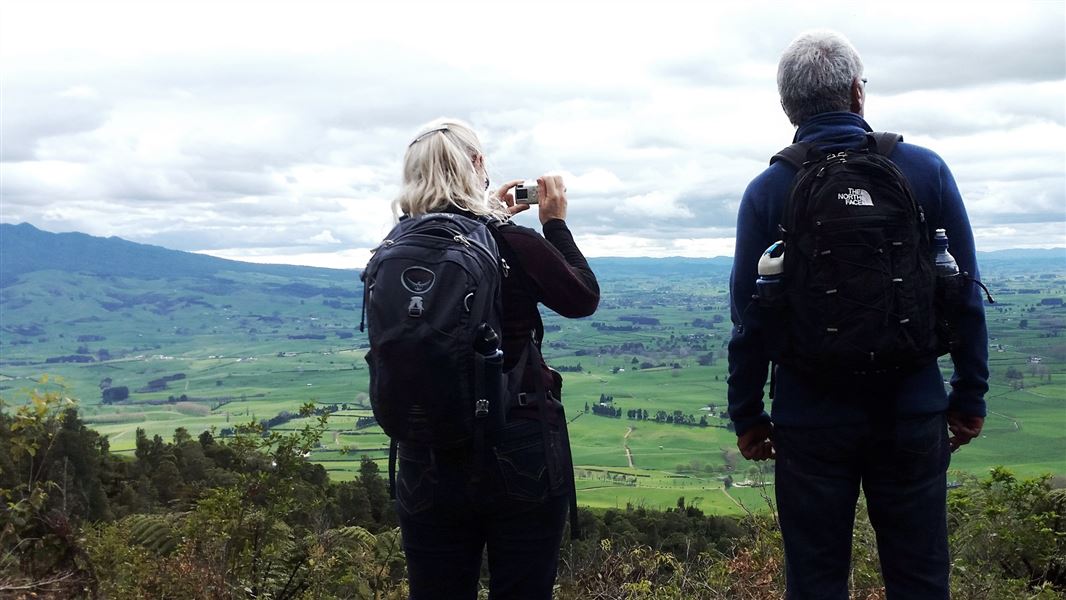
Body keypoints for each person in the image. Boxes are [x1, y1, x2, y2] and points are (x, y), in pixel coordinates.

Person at [726, 31, 988, 599]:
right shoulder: (924, 171)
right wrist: (969, 397)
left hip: (809, 417)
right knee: (919, 577)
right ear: (856, 93)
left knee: (816, 581)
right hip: (911, 408)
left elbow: (749, 316)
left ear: (786, 105)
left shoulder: (769, 189)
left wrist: (746, 414)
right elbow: (962, 291)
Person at [389, 118, 599, 599]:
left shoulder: (396, 246)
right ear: (478, 166)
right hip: (517, 439)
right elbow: (582, 296)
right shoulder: (510, 241)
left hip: (425, 450)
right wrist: (554, 224)